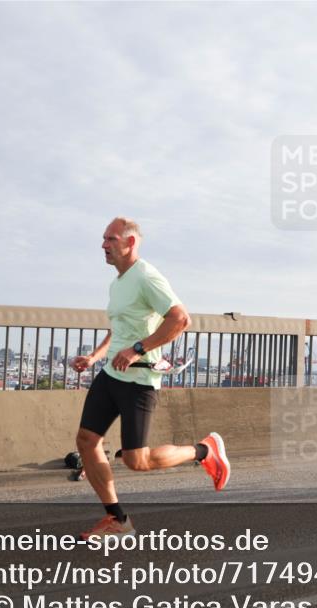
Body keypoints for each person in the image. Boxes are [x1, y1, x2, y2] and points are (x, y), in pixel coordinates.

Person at [71, 217, 230, 539]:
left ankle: (204, 451)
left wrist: (139, 349)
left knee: (137, 461)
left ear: (129, 243)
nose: (104, 245)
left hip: (139, 380)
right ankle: (117, 520)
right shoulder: (118, 283)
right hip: (111, 375)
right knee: (87, 441)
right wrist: (95, 357)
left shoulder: (146, 277)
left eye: (111, 239)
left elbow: (180, 319)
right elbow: (118, 330)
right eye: (103, 239)